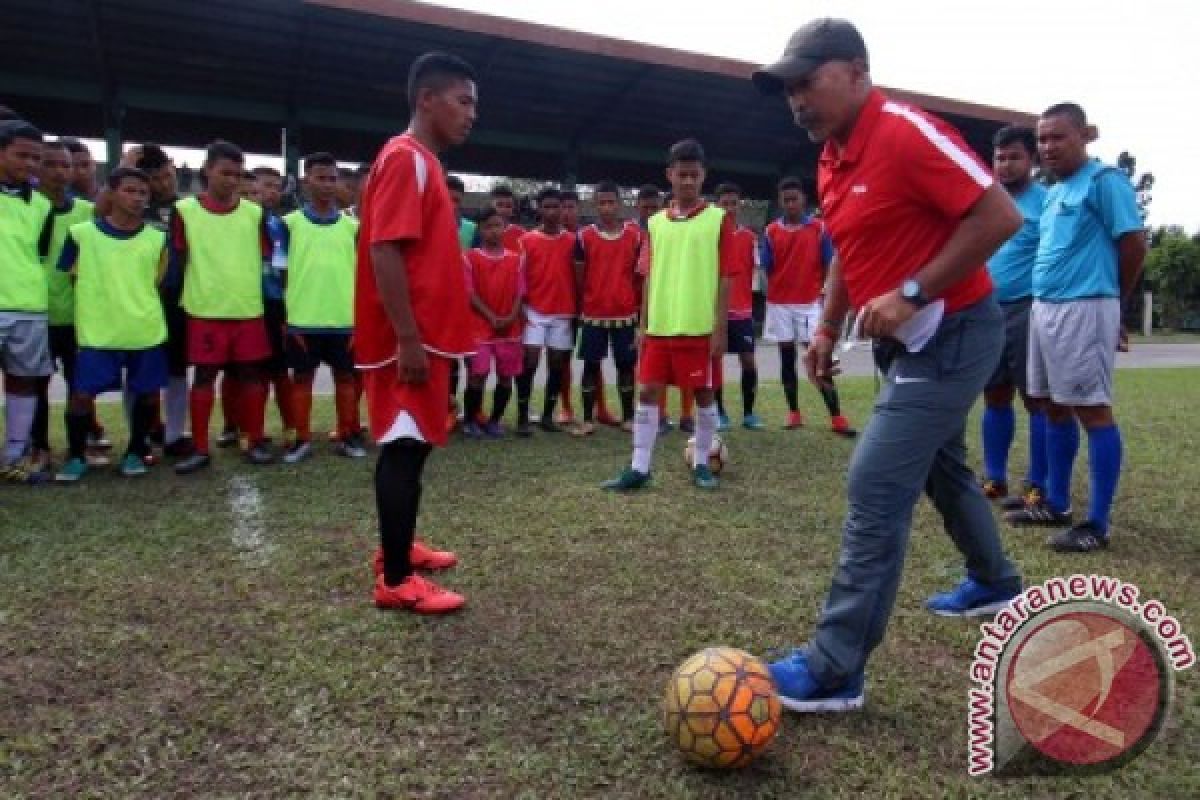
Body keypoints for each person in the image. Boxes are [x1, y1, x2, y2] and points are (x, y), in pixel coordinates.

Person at [752, 18, 1024, 711]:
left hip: (957, 330)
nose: (796, 101)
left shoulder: (904, 131)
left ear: (855, 69)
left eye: (806, 82)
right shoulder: (831, 155)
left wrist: (911, 291)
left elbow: (998, 217)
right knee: (942, 467)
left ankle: (836, 668)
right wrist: (827, 327)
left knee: (875, 482)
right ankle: (994, 581)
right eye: (788, 90)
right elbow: (847, 246)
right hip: (909, 341)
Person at [355, 52, 477, 612]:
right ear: (426, 99)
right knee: (403, 449)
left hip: (428, 336)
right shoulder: (407, 159)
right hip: (412, 339)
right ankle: (397, 579)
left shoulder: (419, 160)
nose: (471, 114)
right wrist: (406, 337)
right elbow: (384, 248)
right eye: (463, 100)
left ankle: (399, 548)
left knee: (418, 443)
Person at [1004, 103, 1146, 553]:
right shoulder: (1053, 191)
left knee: (1092, 409)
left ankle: (1097, 525)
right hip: (1044, 308)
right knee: (1050, 406)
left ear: (1085, 136)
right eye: (1042, 139)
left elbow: (1134, 242)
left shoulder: (1104, 182)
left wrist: (1116, 304)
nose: (1047, 147)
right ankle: (1056, 503)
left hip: (1085, 308)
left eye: (1057, 137)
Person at [602, 139, 733, 491]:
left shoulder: (719, 220)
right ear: (669, 175)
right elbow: (646, 276)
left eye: (694, 175)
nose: (688, 181)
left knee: (704, 395)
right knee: (647, 393)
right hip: (659, 326)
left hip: (699, 327)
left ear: (703, 176)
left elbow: (725, 278)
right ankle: (639, 468)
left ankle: (702, 463)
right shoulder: (655, 223)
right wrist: (643, 324)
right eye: (681, 174)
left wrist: (720, 328)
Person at [54, 168, 168, 481]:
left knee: (146, 394)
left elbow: (157, 282)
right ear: (112, 192)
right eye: (130, 190)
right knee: (81, 396)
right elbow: (71, 276)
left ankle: (135, 451)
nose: (137, 198)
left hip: (144, 329)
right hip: (97, 332)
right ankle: (76, 456)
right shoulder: (81, 234)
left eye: (143, 193)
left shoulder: (158, 239)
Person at [172, 140, 275, 474]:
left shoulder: (255, 214)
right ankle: (200, 448)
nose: (231, 179)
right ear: (207, 170)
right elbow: (178, 259)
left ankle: (255, 439)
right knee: (204, 378)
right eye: (224, 172)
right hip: (205, 311)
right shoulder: (185, 211)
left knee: (252, 376)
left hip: (247, 310)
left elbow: (266, 259)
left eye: (237, 173)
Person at [279, 152, 365, 463]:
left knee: (346, 379)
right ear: (306, 181)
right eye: (320, 178)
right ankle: (301, 439)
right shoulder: (288, 224)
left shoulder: (353, 227)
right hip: (303, 320)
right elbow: (280, 274)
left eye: (333, 178)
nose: (328, 185)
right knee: (302, 379)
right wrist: (284, 317)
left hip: (345, 320)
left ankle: (348, 435)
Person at [978, 126, 1048, 505]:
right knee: (995, 393)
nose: (1005, 165)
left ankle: (1038, 482)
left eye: (1014, 157)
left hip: (1029, 309)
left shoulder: (1047, 202)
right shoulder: (986, 200)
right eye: (1000, 157)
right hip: (987, 309)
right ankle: (995, 478)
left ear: (1032, 160)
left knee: (1035, 396)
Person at [761, 177, 855, 436]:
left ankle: (836, 416)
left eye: (795, 199)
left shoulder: (819, 229)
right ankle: (793, 412)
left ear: (803, 200)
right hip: (780, 304)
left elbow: (829, 264)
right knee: (786, 358)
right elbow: (768, 268)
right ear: (781, 202)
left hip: (810, 303)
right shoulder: (771, 231)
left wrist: (822, 294)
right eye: (786, 200)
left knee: (819, 357)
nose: (791, 204)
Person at [31, 139, 97, 473]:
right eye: (50, 164)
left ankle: (77, 451)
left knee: (80, 386)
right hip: (35, 313)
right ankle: (38, 447)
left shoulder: (86, 213)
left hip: (77, 316)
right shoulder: (24, 207)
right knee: (35, 384)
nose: (59, 172)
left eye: (65, 165)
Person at [0, 120, 55, 484]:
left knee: (23, 381)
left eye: (36, 157)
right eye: (22, 155)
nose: (31, 164)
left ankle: (14, 454)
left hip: (28, 307)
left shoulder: (42, 205)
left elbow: (39, 253)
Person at [573, 180, 641, 435]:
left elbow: (639, 275)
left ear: (620, 204)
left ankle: (629, 417)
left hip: (625, 312)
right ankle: (588, 419)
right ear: (595, 204)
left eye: (611, 202)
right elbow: (579, 275)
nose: (607, 208)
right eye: (602, 203)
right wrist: (589, 299)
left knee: (626, 365)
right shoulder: (584, 235)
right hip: (593, 312)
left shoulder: (635, 235)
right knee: (591, 365)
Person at [514, 187, 577, 436]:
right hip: (534, 311)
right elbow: (518, 279)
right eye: (546, 206)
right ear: (539, 209)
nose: (552, 211)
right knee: (529, 361)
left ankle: (548, 416)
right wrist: (520, 308)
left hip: (564, 311)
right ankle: (521, 417)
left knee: (557, 364)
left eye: (556, 206)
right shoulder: (526, 241)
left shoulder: (573, 241)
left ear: (563, 209)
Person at [462, 207, 525, 438]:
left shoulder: (516, 260)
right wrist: (491, 316)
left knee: (506, 376)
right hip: (480, 327)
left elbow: (520, 293)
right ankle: (470, 420)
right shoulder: (470, 258)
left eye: (498, 225)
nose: (494, 231)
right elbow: (469, 294)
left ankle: (494, 420)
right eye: (488, 226)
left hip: (509, 327)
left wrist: (510, 316)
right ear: (480, 229)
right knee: (478, 374)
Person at [634, 183, 688, 435]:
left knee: (689, 366)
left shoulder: (696, 235)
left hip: (689, 311)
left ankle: (687, 416)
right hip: (660, 312)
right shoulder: (653, 235)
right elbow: (646, 277)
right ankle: (662, 416)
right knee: (660, 368)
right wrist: (643, 322)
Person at [712, 182, 765, 431]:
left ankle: (749, 413)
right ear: (717, 206)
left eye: (734, 203)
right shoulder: (710, 236)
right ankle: (720, 413)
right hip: (716, 312)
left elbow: (755, 276)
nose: (730, 208)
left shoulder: (749, 238)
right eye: (725, 204)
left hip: (742, 312)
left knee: (749, 362)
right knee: (716, 362)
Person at [446, 173, 476, 432]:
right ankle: (448, 408)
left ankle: (471, 409)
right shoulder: (425, 224)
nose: (451, 203)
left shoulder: (470, 229)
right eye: (448, 197)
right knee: (446, 359)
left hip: (466, 304)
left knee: (471, 359)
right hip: (438, 302)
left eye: (456, 199)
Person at [489, 185, 526, 252]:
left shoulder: (522, 234)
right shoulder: (480, 232)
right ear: (491, 206)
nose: (504, 210)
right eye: (499, 205)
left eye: (508, 206)